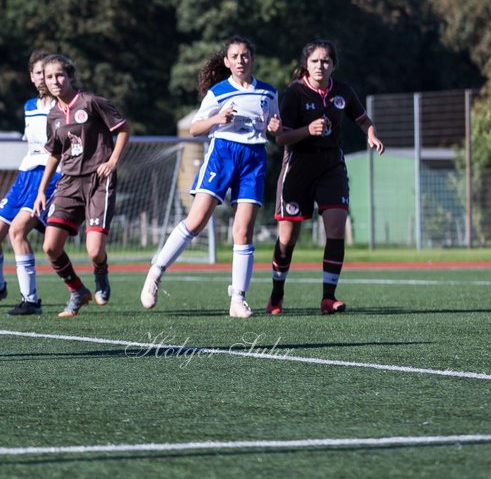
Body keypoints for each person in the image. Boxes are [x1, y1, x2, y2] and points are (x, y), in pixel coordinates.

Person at [140, 36, 281, 317]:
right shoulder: (218, 93)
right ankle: (155, 272)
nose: (240, 60)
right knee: (197, 220)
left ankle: (237, 299)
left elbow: (273, 126)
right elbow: (195, 129)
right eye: (235, 56)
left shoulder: (268, 93)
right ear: (227, 62)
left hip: (253, 158)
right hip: (223, 154)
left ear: (252, 59)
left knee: (243, 230)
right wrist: (218, 119)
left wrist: (276, 126)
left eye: (245, 55)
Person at [267, 39, 384, 315]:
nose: (321, 66)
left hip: (331, 166)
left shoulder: (342, 91)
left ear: (333, 65)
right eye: (315, 61)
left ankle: (328, 298)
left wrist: (371, 134)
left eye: (326, 61)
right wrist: (308, 130)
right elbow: (282, 137)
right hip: (298, 168)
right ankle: (276, 294)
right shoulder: (295, 93)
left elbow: (363, 119)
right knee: (287, 237)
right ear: (306, 64)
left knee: (335, 227)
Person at [32, 54, 132, 318]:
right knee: (50, 246)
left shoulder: (92, 102)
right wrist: (42, 190)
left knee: (95, 249)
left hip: (99, 180)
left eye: (59, 75)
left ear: (70, 76)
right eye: (49, 76)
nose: (55, 81)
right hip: (68, 184)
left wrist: (112, 161)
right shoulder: (53, 115)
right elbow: (54, 153)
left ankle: (101, 273)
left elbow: (123, 129)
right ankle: (77, 290)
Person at [0, 50, 58, 316]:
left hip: (49, 176)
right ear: (31, 76)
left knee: (17, 232)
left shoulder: (62, 107)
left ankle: (31, 301)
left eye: (49, 73)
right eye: (39, 73)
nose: (44, 78)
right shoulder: (29, 106)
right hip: (24, 176)